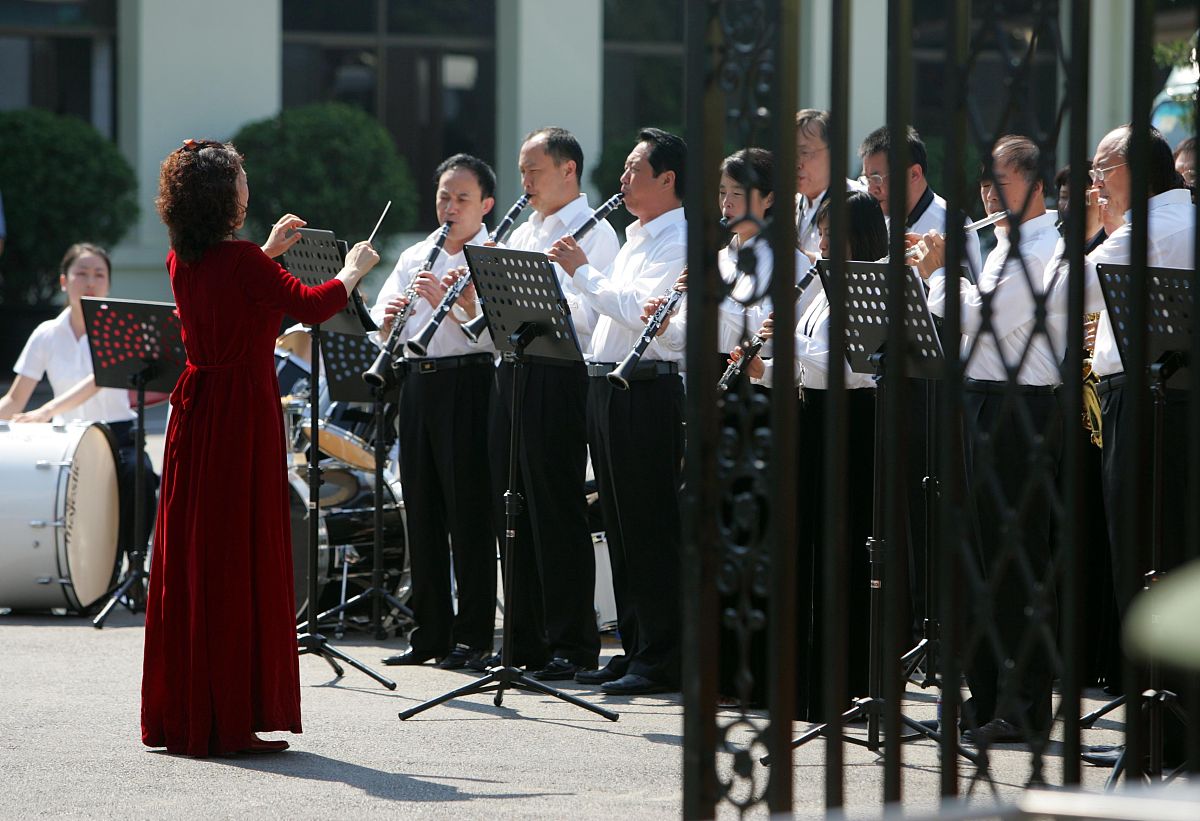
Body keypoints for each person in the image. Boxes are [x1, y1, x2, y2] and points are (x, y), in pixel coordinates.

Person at [141, 138, 379, 757]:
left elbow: (236, 299)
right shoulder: (241, 261)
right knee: (234, 556)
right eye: (241, 180)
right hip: (240, 412)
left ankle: (189, 711)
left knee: (198, 555)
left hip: (196, 411)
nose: (248, 188)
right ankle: (227, 715)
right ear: (226, 197)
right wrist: (353, 268)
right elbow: (313, 304)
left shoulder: (182, 258)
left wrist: (270, 250)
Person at [910, 135, 1063, 745]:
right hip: (982, 402)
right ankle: (987, 696)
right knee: (976, 563)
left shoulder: (1043, 248)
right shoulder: (1001, 247)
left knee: (1013, 566)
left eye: (1000, 181)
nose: (985, 193)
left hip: (1020, 414)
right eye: (983, 182)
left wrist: (941, 270)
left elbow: (983, 319)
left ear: (1034, 186)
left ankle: (1023, 705)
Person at [732, 190, 887, 719]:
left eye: (830, 232)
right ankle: (805, 683)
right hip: (814, 417)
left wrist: (788, 350)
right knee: (811, 548)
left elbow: (857, 363)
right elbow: (811, 361)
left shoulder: (872, 283)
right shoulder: (823, 286)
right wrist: (765, 366)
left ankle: (844, 688)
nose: (820, 240)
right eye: (819, 231)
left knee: (842, 550)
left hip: (854, 422)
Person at [549, 127, 687, 695]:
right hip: (607, 384)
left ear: (668, 179)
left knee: (648, 525)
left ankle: (660, 656)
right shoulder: (635, 237)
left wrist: (584, 271)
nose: (623, 179)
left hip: (648, 390)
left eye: (635, 169)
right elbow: (609, 309)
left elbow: (638, 312)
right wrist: (571, 285)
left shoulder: (676, 241)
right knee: (620, 523)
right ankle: (634, 646)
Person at [483, 127, 620, 680]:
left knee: (555, 508)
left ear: (568, 170)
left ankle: (571, 642)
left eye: (533, 170)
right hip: (514, 371)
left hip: (561, 373)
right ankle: (522, 638)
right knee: (510, 502)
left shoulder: (598, 234)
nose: (525, 182)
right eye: (522, 170)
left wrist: (552, 298)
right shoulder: (525, 229)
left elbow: (598, 317)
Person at [374, 154, 499, 671]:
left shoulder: (495, 252)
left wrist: (464, 305)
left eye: (461, 198)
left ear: (486, 205)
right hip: (417, 385)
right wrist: (392, 317)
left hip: (470, 382)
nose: (449, 206)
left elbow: (500, 332)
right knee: (422, 511)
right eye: (444, 196)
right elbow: (382, 326)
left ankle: (472, 636)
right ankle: (429, 632)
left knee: (468, 514)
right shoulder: (415, 254)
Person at [0, 243, 157, 565]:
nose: (90, 281)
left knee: (140, 475)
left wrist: (46, 412)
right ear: (63, 281)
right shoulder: (46, 333)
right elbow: (16, 398)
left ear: (108, 283)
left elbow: (98, 380)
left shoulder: (118, 327)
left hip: (118, 435)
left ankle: (134, 570)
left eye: (99, 274)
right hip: (67, 441)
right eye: (81, 273)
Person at [857, 124, 982, 277]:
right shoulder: (882, 221)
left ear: (914, 174)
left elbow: (965, 295)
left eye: (877, 178)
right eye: (867, 180)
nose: (871, 189)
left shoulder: (952, 224)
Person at [794, 109, 866, 258]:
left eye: (804, 152)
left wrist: (800, 258)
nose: (796, 163)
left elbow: (864, 267)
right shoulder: (787, 204)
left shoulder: (858, 200)